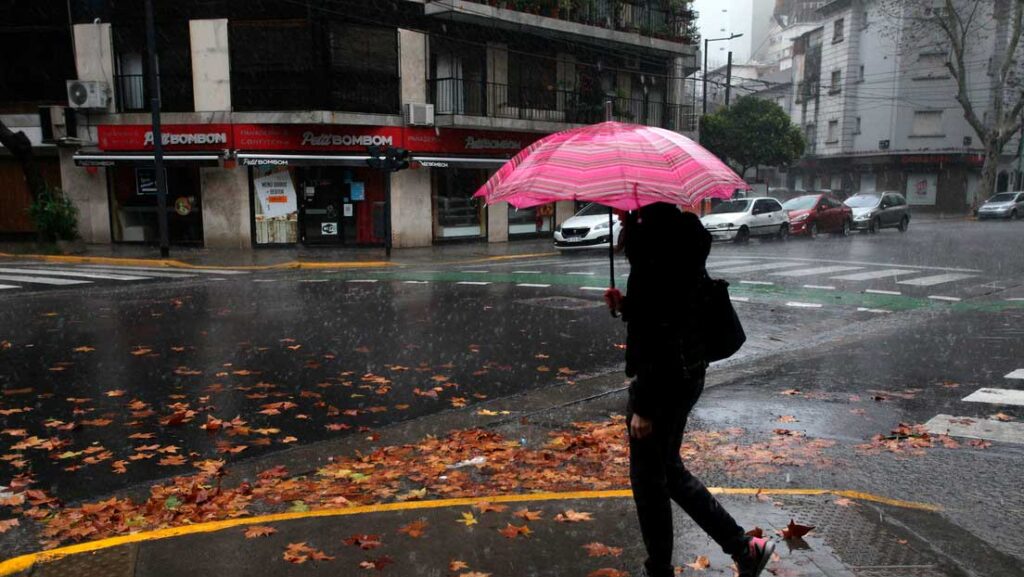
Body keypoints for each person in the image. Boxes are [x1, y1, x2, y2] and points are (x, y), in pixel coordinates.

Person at [604, 203, 774, 577]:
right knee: (667, 471)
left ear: (639, 205)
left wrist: (645, 404)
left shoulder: (654, 246)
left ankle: (662, 569)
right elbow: (672, 309)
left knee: (650, 482)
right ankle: (744, 549)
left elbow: (662, 328)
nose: (615, 212)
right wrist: (628, 305)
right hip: (686, 372)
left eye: (621, 207)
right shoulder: (676, 236)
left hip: (662, 380)